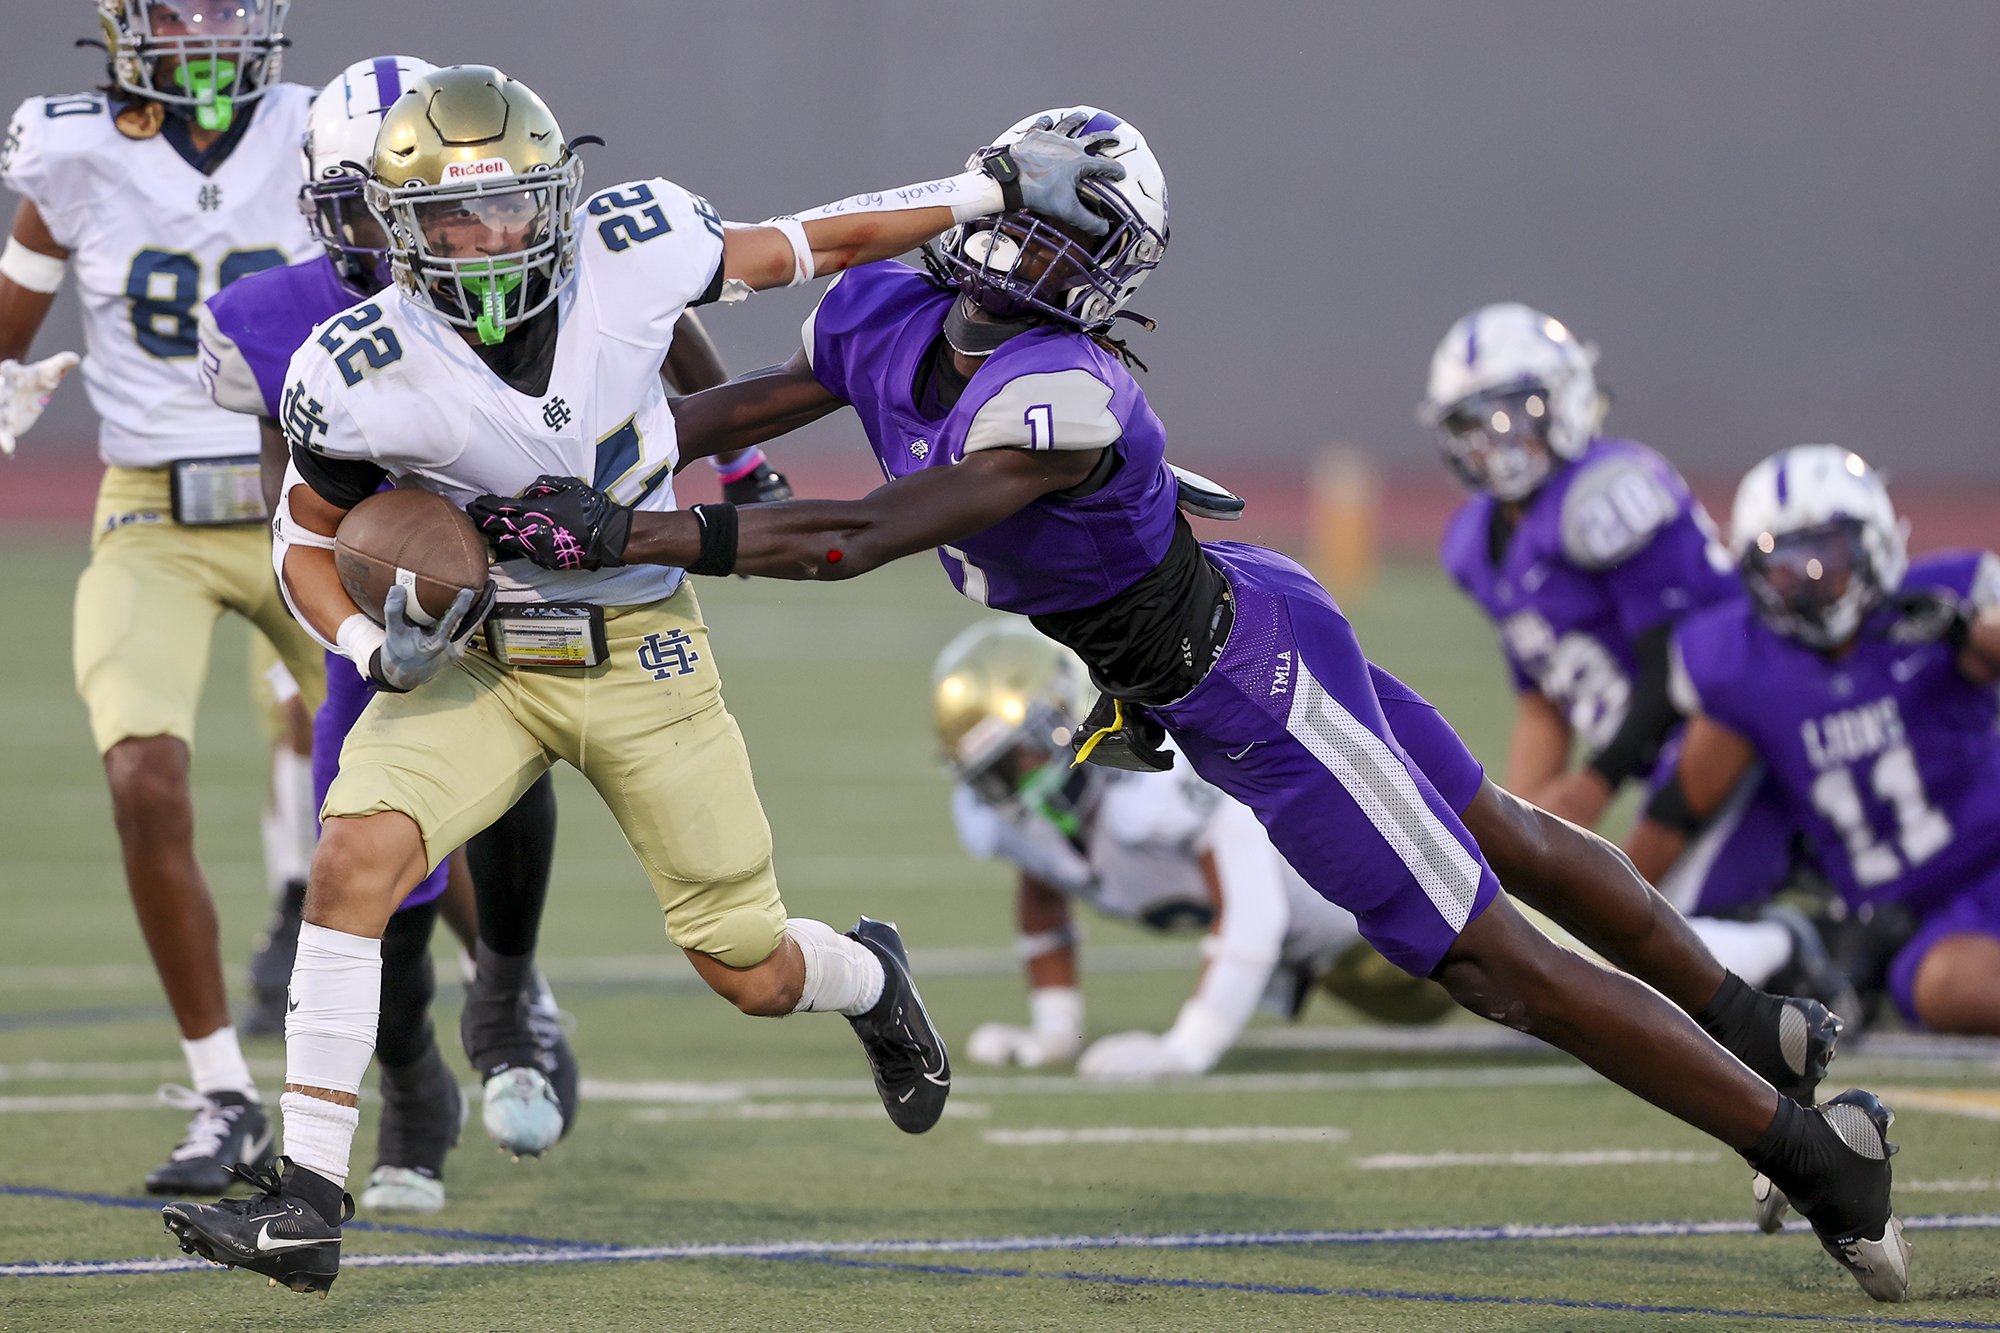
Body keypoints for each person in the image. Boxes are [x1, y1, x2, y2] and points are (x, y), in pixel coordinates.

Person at [477, 106, 1913, 1303]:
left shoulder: (1067, 386)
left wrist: (637, 533)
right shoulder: (885, 306)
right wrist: (596, 458)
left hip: (1252, 681)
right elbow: (764, 402)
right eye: (1018, 211)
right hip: (1221, 626)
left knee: (1489, 958)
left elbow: (856, 536)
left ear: (1100, 276)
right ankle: (1751, 1018)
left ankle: (1815, 1151)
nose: (1017, 247)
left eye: (1056, 236)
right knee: (1502, 826)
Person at [158, 64, 1120, 1295]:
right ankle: (305, 1202)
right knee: (352, 865)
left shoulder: (638, 244)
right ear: (398, 233)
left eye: (509, 207)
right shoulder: (353, 364)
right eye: (453, 219)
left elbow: (817, 240)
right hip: (485, 658)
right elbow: (299, 539)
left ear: (561, 196)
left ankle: (871, 973)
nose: (489, 239)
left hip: (639, 649)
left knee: (749, 969)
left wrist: (977, 189)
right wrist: (360, 645)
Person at [0, 0, 327, 1195]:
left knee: (411, 762)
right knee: (141, 769)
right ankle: (224, 1091)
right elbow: (10, 314)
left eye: (226, 6)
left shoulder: (316, 131)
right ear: (124, 23)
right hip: (153, 514)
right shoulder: (74, 151)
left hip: (310, 499)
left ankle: (502, 994)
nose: (205, 29)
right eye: (178, 8)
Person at [1419, 302, 1851, 1013]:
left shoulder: (1609, 491)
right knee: (1557, 942)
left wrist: (1592, 786)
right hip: (1657, 760)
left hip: (1729, 747)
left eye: (1511, 417)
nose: (1494, 445)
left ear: (1563, 400)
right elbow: (1541, 700)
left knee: (1629, 957)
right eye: (1474, 425)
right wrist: (1518, 830)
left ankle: (1794, 939)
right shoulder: (1475, 542)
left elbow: (1690, 673)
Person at [1622, 444, 2000, 1223]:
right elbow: (1678, 807)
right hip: (1917, 920)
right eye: (1783, 565)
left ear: (1874, 544)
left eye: (1826, 555)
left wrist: (1973, 632)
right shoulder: (1744, 662)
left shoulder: (1941, 603)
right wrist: (1600, 918)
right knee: (1941, 989)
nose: (1810, 580)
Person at [935, 618, 1450, 1076]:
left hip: (1411, 897)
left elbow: (1254, 911)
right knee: (1470, 1005)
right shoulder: (1012, 816)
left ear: (1061, 715)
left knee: (1518, 982)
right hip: (1329, 964)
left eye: (1015, 759)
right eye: (991, 775)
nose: (1010, 788)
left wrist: (1189, 1046)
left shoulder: (1154, 780)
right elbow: (1045, 888)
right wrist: (1055, 1030)